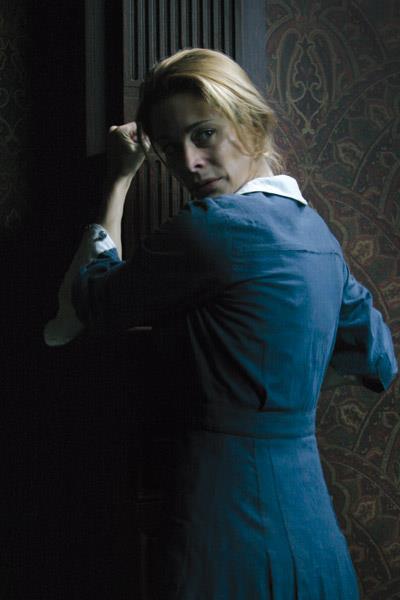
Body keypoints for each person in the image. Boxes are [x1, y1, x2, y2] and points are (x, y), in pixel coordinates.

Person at [44, 48, 397, 598]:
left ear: (251, 122)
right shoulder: (320, 239)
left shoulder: (213, 226)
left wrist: (117, 180)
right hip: (315, 539)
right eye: (169, 149)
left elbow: (94, 301)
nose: (188, 162)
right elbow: (378, 358)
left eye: (203, 134)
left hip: (221, 529)